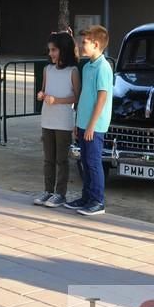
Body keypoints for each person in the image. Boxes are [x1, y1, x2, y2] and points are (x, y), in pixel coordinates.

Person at [64, 25, 113, 216]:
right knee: (84, 162)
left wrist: (92, 125)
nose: (81, 45)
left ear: (96, 44)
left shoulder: (103, 67)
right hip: (84, 123)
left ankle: (97, 200)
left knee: (93, 162)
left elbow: (102, 98)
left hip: (95, 125)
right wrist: (78, 123)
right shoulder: (87, 66)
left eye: (84, 42)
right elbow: (85, 96)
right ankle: (86, 197)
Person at [34, 31, 80, 208]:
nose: (51, 54)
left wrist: (57, 101)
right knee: (48, 159)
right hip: (48, 119)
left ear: (64, 50)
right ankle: (48, 190)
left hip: (63, 121)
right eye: (50, 50)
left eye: (54, 50)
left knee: (61, 159)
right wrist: (41, 95)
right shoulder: (47, 70)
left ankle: (60, 193)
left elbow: (77, 97)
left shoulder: (73, 71)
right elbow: (44, 89)